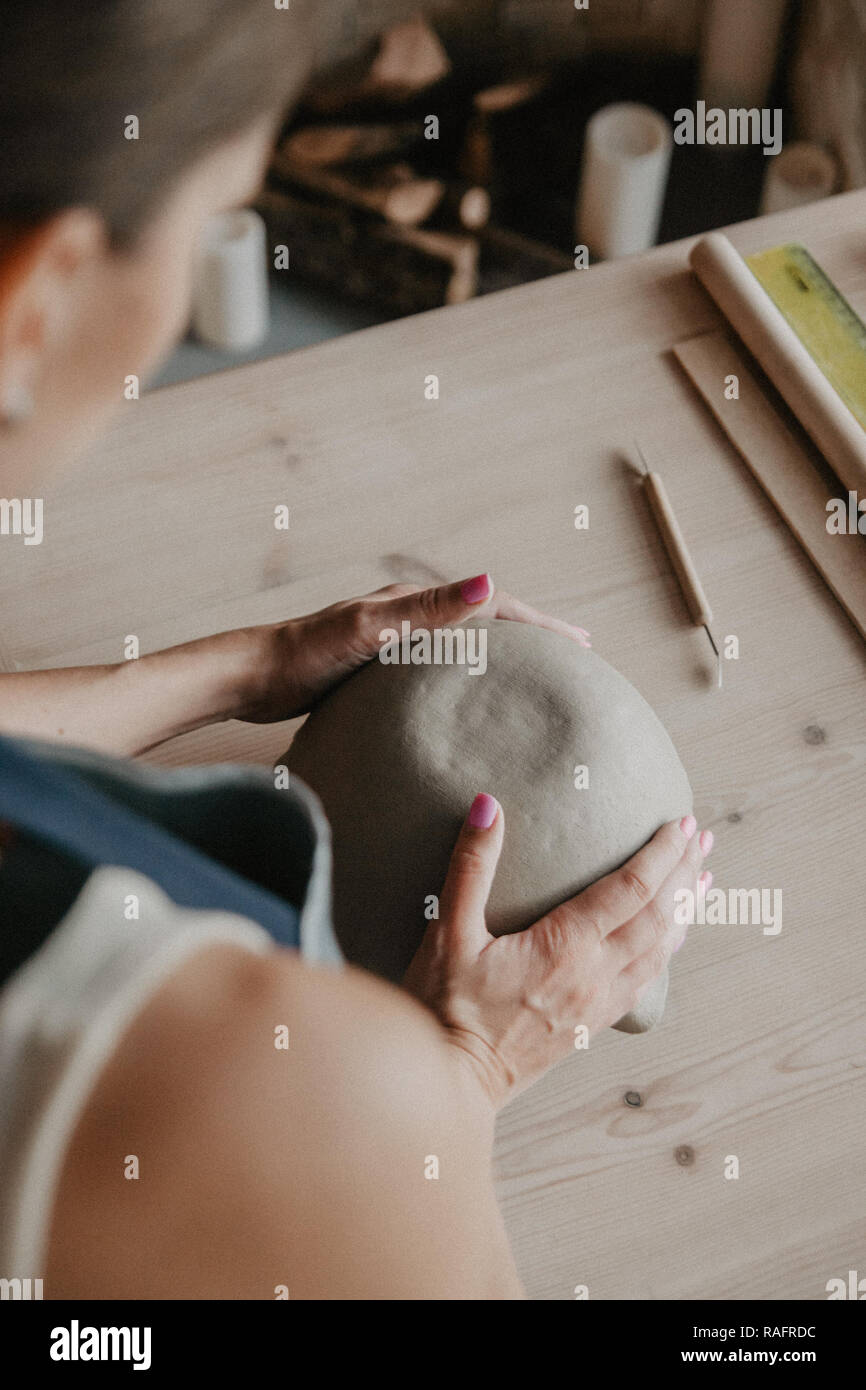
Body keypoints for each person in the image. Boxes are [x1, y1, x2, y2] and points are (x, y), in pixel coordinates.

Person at [0, 2, 713, 1299]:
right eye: (220, 212)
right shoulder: (248, 1081)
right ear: (36, 297)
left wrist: (245, 667)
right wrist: (461, 1076)